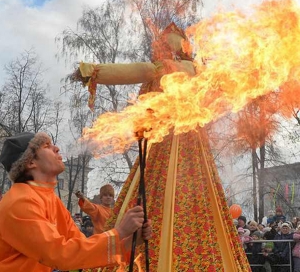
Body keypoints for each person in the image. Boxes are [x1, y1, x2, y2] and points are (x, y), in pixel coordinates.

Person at [73, 23, 251, 271]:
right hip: (187, 140)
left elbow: (135, 71)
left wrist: (93, 71)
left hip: (168, 140)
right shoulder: (198, 70)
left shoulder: (162, 67)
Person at [0, 132, 152, 272]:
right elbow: (60, 254)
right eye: (47, 146)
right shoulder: (20, 202)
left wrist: (129, 241)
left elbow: (81, 249)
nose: (56, 148)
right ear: (30, 162)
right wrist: (119, 232)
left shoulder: (50, 198)